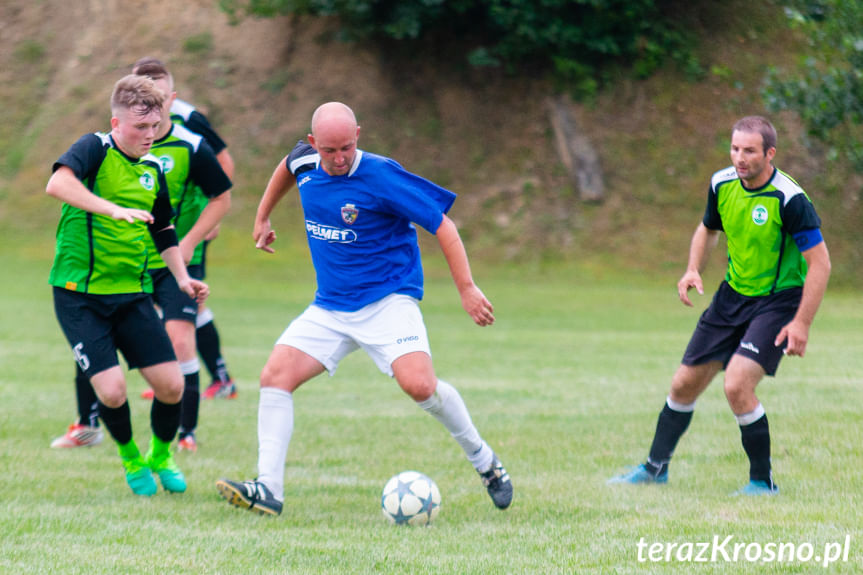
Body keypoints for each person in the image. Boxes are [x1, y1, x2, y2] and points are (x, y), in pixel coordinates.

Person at [216, 102, 513, 516]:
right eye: (330, 150)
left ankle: (486, 463)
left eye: (347, 148)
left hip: (388, 300)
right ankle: (268, 489)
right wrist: (263, 215)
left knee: (420, 386)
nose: (339, 159)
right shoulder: (306, 161)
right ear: (313, 143)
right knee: (274, 377)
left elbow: (443, 225)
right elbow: (286, 166)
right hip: (331, 307)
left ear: (358, 134)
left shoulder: (380, 175)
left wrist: (466, 288)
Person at [608, 116, 831, 495]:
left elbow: (820, 264)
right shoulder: (721, 183)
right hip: (732, 297)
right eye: (735, 149)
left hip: (777, 302)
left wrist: (801, 324)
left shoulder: (790, 199)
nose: (740, 158)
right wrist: (693, 268)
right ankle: (654, 469)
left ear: (770, 153)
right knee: (682, 384)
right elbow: (708, 228)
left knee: (737, 384)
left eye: (749, 151)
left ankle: (762, 482)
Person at [50, 59, 234, 451]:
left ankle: (169, 450)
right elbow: (57, 183)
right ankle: (123, 451)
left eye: (155, 125)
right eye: (141, 127)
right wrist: (109, 207)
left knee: (172, 381)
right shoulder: (94, 147)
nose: (150, 135)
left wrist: (184, 276)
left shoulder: (157, 164)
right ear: (116, 123)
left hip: (132, 288)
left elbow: (163, 227)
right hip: (79, 290)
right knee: (112, 388)